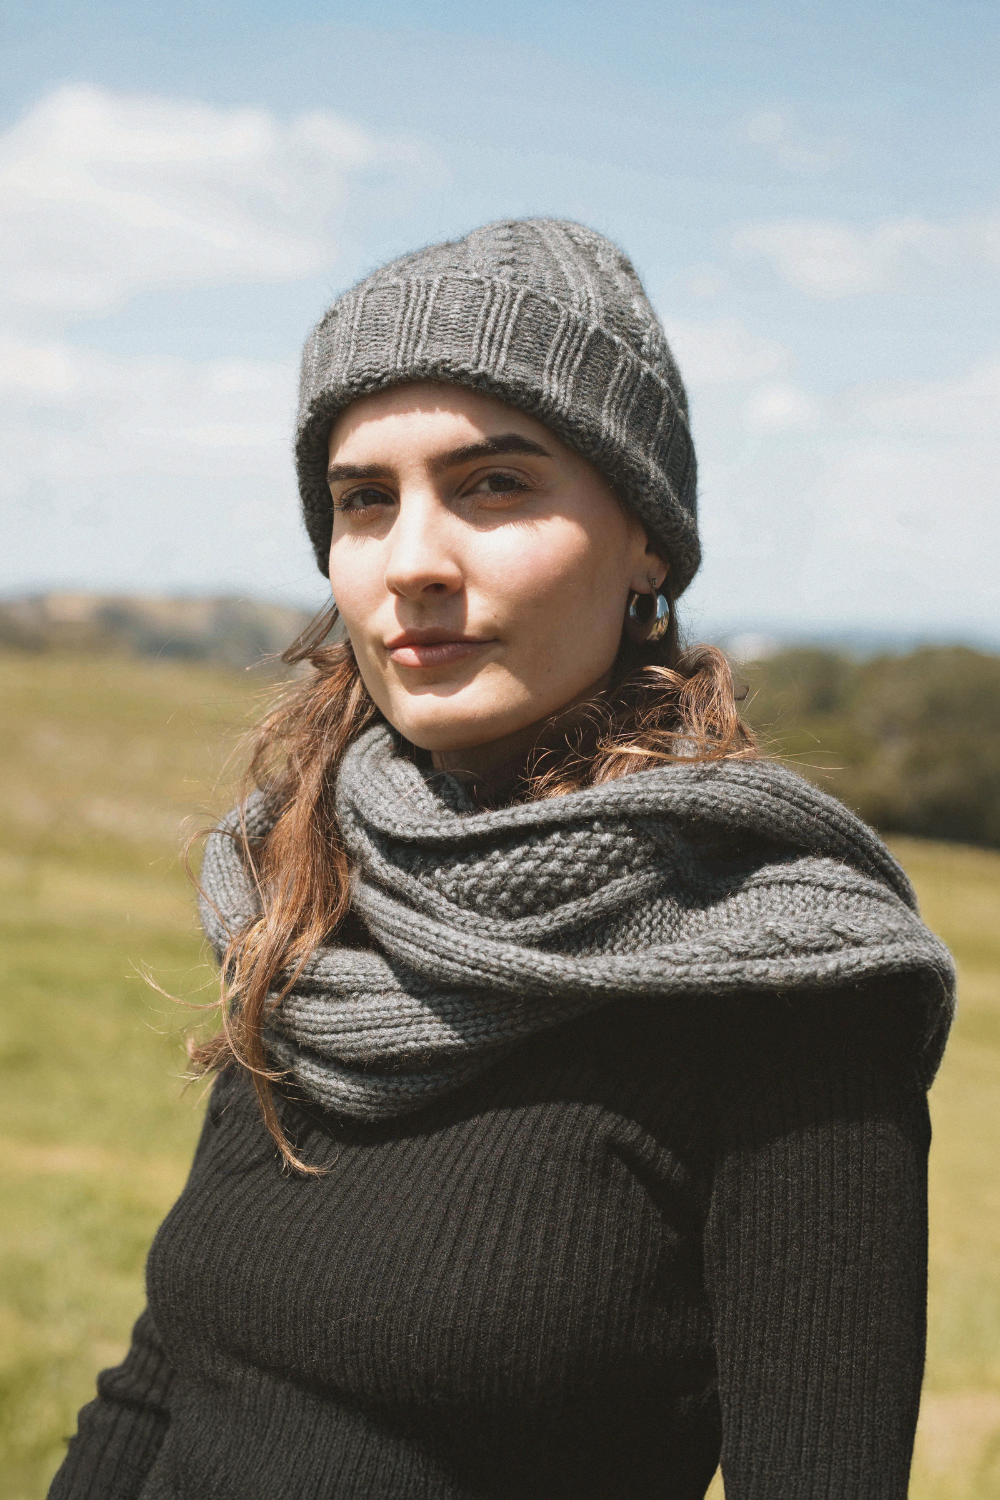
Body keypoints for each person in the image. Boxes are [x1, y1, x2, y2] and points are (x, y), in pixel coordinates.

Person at [49, 219, 954, 1500]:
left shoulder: (789, 983)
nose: (413, 561)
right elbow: (166, 1377)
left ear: (645, 537)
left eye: (494, 485)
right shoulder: (319, 881)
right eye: (365, 500)